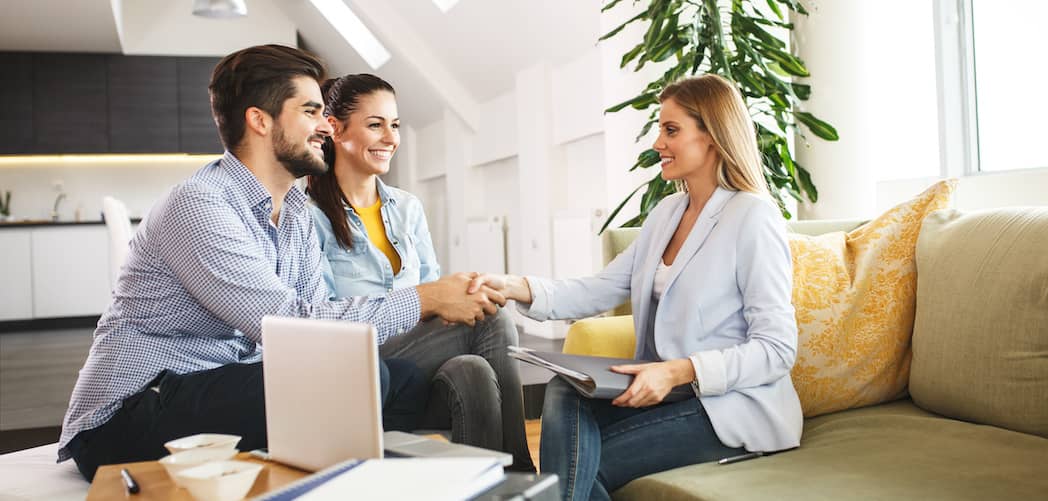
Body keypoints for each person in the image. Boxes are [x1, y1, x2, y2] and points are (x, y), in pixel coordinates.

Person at [57, 45, 507, 481]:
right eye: (310, 112)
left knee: (402, 379)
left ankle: (408, 483)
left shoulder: (294, 210)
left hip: (222, 383)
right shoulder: (201, 205)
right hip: (130, 409)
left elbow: (311, 332)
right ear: (259, 120)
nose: (325, 127)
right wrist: (425, 298)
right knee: (355, 382)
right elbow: (288, 321)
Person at [469, 74, 802, 500]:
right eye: (660, 129)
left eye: (671, 130)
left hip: (728, 406)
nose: (657, 143)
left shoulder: (752, 217)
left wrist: (680, 371)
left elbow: (776, 349)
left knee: (584, 467)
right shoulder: (667, 213)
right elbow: (599, 288)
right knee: (563, 392)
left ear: (714, 136)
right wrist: (514, 285)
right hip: (666, 394)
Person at [307, 73, 535, 471]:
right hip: (359, 358)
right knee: (492, 319)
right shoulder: (308, 216)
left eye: (394, 125)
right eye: (375, 124)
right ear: (335, 128)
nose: (390, 137)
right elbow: (324, 315)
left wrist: (461, 293)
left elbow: (434, 290)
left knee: (473, 369)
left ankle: (484, 489)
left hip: (417, 352)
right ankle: (524, 477)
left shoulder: (406, 207)